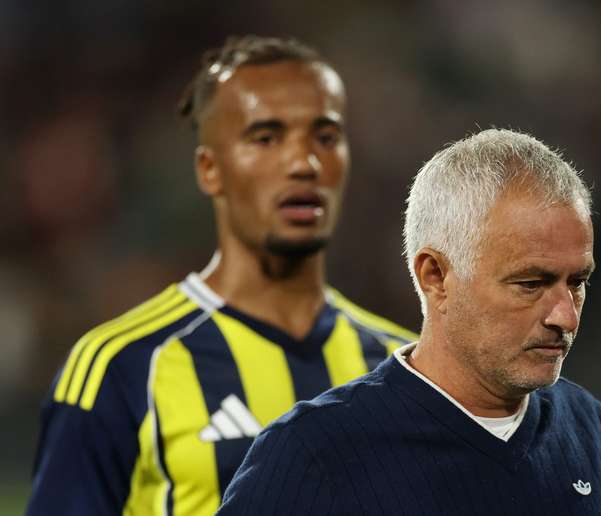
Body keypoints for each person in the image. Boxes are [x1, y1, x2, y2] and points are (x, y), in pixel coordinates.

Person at [26, 36, 417, 516]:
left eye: (326, 137)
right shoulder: (122, 369)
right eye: (266, 138)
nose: (304, 163)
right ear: (209, 169)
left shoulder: (406, 369)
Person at [217, 128, 601, 515]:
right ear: (436, 277)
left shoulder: (584, 426)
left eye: (577, 282)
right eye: (530, 284)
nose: (565, 315)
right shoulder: (315, 454)